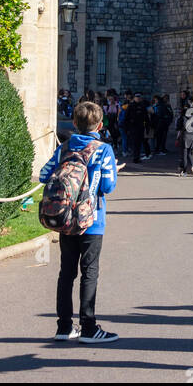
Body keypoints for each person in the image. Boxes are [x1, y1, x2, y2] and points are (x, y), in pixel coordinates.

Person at [39, 98, 119, 344]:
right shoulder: (103, 149)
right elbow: (107, 185)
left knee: (66, 272)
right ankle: (88, 327)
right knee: (89, 272)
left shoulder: (64, 147)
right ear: (100, 124)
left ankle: (64, 326)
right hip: (92, 219)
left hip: (65, 218)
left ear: (74, 122)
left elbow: (44, 175)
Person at [176, 95, 193, 176]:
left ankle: (184, 171)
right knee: (190, 153)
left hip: (185, 136)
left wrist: (177, 137)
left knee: (184, 154)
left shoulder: (183, 117)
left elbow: (179, 128)